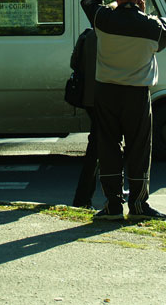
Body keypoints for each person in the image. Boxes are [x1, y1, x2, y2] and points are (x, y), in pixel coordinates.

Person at [80, 0, 166, 221]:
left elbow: (88, 0)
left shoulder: (102, 18)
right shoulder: (152, 27)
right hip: (136, 93)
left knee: (108, 146)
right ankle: (139, 204)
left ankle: (112, 204)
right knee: (139, 148)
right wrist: (144, 13)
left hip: (106, 91)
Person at [70, 28, 98, 209]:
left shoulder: (87, 35)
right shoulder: (112, 36)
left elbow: (74, 63)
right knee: (97, 150)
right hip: (106, 99)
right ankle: (82, 199)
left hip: (88, 97)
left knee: (98, 147)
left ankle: (84, 198)